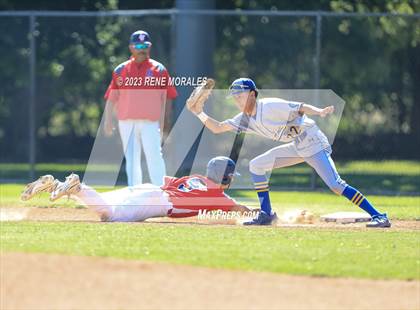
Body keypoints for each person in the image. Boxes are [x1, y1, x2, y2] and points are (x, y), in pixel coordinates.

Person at [191, 78, 391, 228]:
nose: (237, 100)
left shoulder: (269, 106)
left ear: (252, 94)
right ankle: (266, 213)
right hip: (296, 145)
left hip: (311, 141)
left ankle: (379, 215)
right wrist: (198, 112)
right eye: (234, 97)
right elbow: (217, 127)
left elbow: (300, 107)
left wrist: (320, 111)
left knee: (336, 185)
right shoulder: (243, 118)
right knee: (256, 165)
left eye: (240, 95)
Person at [20, 157, 253, 222]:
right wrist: (260, 213)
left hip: (150, 189)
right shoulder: (217, 196)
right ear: (226, 177)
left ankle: (60, 185)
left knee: (103, 203)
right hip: (157, 202)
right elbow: (240, 209)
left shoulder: (196, 178)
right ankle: (76, 186)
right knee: (109, 215)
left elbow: (167, 182)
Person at [103, 30, 178, 186]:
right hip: (126, 122)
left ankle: (162, 192)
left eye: (145, 45)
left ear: (149, 47)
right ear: (131, 47)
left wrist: (166, 120)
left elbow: (168, 97)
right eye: (138, 45)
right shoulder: (120, 70)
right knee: (132, 159)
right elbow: (111, 98)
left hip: (150, 122)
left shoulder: (159, 70)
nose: (141, 49)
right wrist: (108, 120)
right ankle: (134, 193)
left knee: (154, 157)